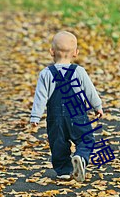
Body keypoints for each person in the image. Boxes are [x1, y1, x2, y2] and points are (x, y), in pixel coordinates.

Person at [30, 31, 103, 182]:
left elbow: (40, 97)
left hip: (55, 117)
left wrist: (35, 116)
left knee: (58, 143)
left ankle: (63, 171)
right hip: (77, 114)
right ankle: (81, 157)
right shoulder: (79, 71)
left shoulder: (46, 74)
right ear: (76, 53)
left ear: (52, 51)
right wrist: (97, 106)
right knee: (86, 139)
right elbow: (90, 91)